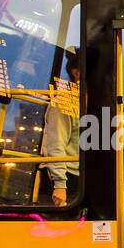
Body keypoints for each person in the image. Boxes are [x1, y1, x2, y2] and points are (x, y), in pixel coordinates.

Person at [40, 48, 81, 207]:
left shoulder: (95, 103)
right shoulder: (63, 104)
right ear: (76, 74)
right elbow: (55, 145)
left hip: (84, 175)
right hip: (69, 179)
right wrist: (60, 185)